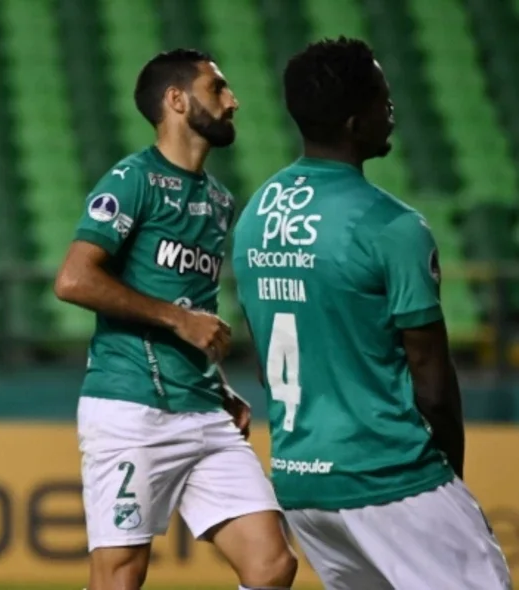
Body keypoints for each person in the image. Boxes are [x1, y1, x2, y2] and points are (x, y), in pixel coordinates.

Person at [232, 37, 512, 590]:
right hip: (388, 476)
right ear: (355, 123)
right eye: (384, 102)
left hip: (301, 484)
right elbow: (431, 376)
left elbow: (266, 362)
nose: (392, 113)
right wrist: (444, 476)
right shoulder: (393, 226)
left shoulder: (255, 216)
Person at [54, 49, 297, 590]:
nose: (233, 101)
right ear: (177, 100)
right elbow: (73, 280)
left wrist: (219, 384)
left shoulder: (218, 200)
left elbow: (192, 305)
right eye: (218, 89)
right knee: (120, 577)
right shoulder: (132, 179)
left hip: (203, 410)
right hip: (130, 410)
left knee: (272, 565)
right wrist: (180, 321)